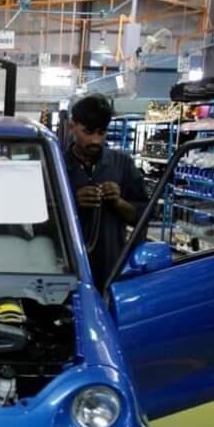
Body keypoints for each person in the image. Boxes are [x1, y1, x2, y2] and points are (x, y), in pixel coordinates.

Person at [65, 94, 149, 288]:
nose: (95, 140)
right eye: (88, 132)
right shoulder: (57, 166)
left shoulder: (123, 165)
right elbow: (40, 220)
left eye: (101, 133)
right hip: (67, 268)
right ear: (72, 127)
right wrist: (71, 203)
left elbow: (143, 215)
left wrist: (119, 203)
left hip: (111, 269)